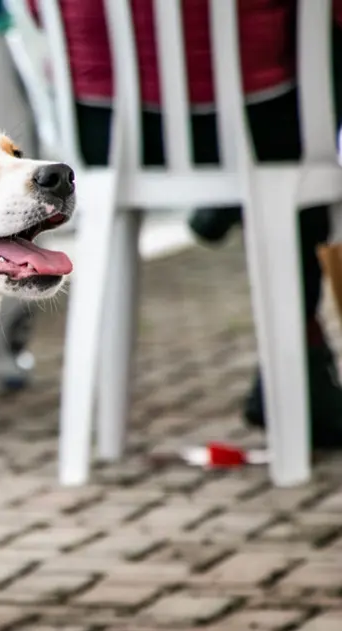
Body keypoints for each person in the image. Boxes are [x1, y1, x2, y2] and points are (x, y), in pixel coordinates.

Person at [27, 0, 342, 447]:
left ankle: (227, 212)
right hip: (247, 129)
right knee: (321, 52)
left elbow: (40, 13)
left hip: (106, 131)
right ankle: (302, 362)